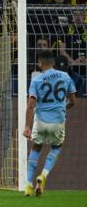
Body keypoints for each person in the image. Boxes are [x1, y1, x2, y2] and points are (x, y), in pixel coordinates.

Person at [23, 50, 76, 197]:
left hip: (40, 121)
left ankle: (28, 185)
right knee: (56, 148)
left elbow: (30, 105)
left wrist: (27, 126)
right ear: (54, 63)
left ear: (40, 64)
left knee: (36, 148)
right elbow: (73, 101)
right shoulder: (65, 77)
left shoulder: (36, 80)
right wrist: (61, 108)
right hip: (58, 121)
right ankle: (43, 175)